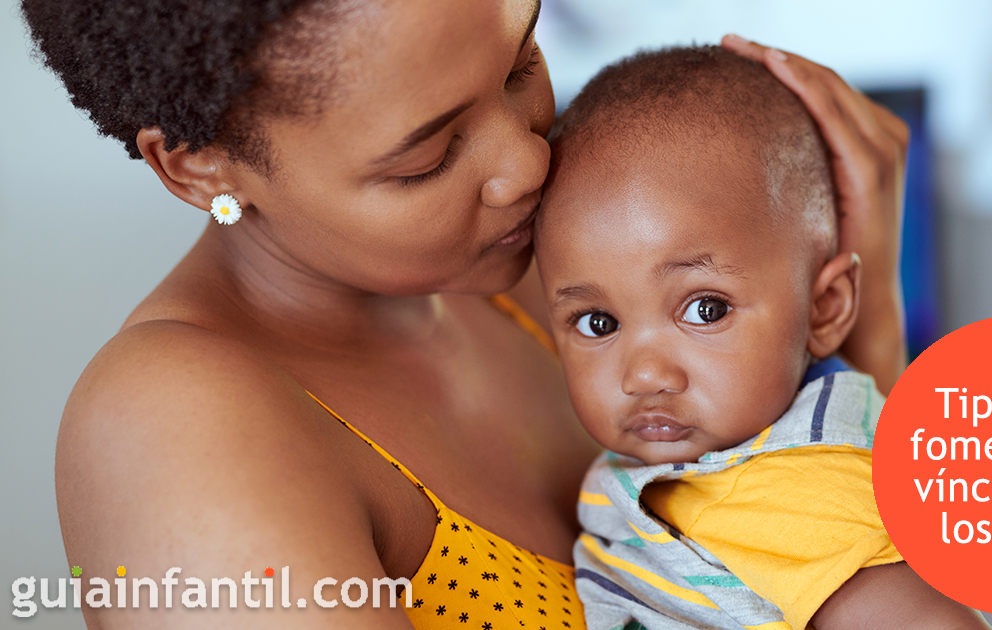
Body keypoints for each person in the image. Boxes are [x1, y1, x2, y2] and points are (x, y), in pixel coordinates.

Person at [22, 0, 910, 627]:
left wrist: (844, 332)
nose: (528, 160)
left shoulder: (544, 266)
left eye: (522, 59)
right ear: (199, 171)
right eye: (429, 157)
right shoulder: (170, 429)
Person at [535, 45, 989, 630]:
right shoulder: (726, 469)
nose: (643, 375)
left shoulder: (798, 492)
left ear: (825, 308)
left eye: (705, 309)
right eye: (599, 323)